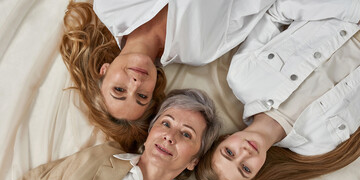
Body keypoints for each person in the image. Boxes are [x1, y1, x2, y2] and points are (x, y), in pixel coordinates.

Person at [0, 89, 221, 180]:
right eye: (165, 123)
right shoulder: (100, 159)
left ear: (194, 161)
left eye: (186, 134)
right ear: (149, 133)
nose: (169, 136)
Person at [195, 0, 360, 180]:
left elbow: (276, 12)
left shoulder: (242, 77)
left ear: (223, 139)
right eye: (245, 168)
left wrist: (353, 10)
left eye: (229, 152)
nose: (244, 153)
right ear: (257, 174)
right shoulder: (318, 145)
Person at [60, 0, 275, 152]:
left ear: (104, 70)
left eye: (119, 90)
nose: (135, 84)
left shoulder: (111, 6)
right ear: (153, 89)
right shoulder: (200, 50)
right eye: (142, 96)